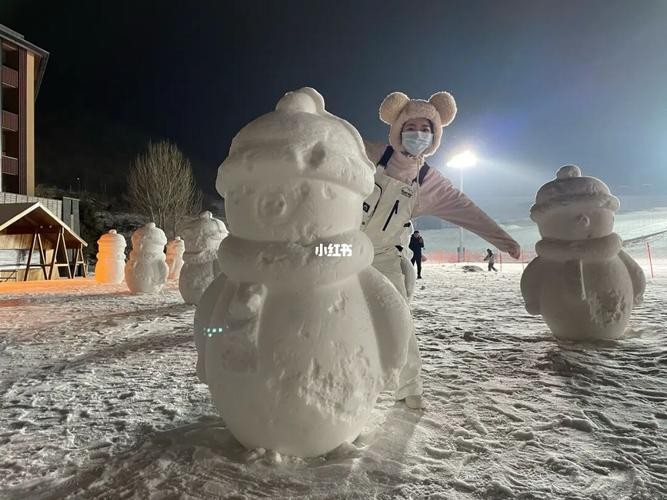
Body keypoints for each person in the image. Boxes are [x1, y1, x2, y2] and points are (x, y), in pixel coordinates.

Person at [361, 90, 520, 410]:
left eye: (426, 129)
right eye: (411, 127)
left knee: (397, 320)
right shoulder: (367, 154)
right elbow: (324, 147)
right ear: (397, 128)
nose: (418, 134)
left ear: (434, 137)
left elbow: (468, 211)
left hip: (384, 257)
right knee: (312, 286)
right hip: (341, 247)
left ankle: (409, 387)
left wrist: (505, 241)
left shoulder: (428, 182)